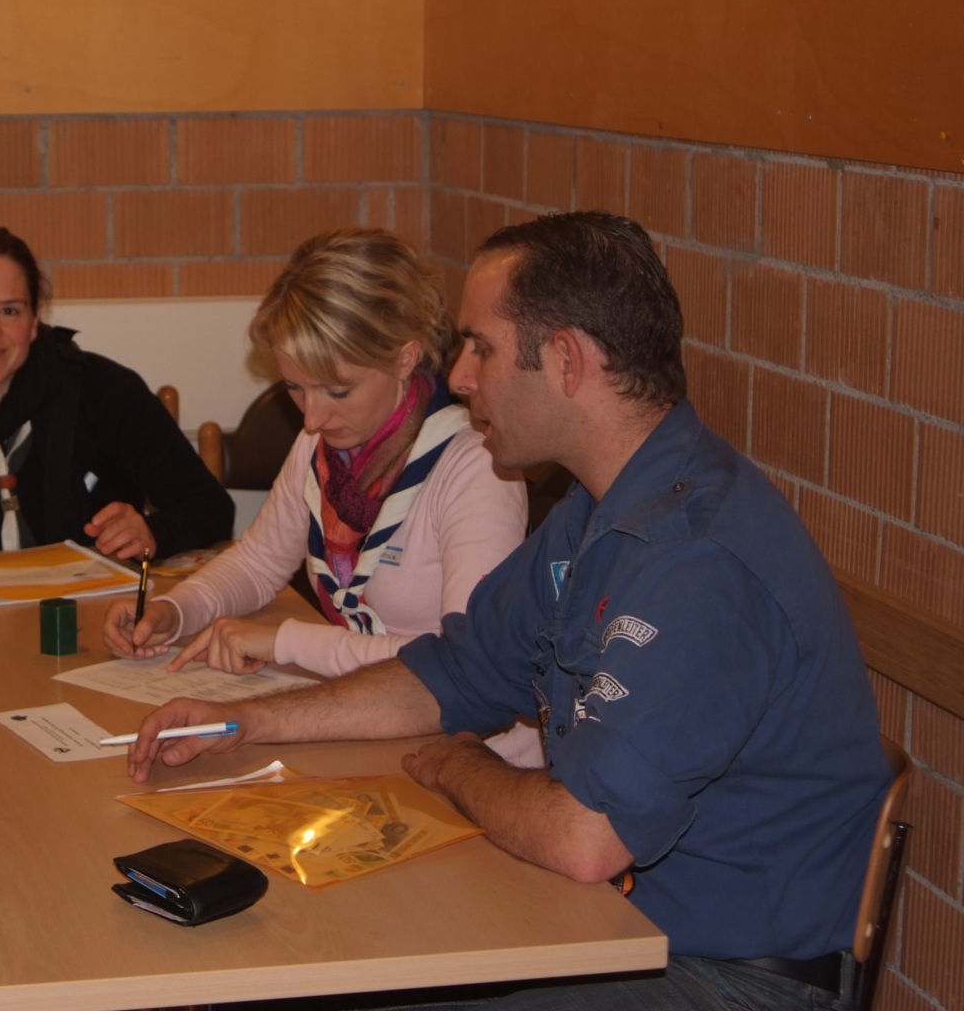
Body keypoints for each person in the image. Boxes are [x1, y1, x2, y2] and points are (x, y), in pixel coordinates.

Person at [127, 212, 891, 1010]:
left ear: (566, 361)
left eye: (481, 349)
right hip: (617, 923)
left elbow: (583, 837)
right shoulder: (598, 509)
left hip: (722, 975)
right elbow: (451, 673)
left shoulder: (699, 557)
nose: (460, 376)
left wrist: (457, 765)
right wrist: (248, 722)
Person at [101, 230, 534, 765]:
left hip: (475, 756)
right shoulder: (323, 444)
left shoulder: (477, 465)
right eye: (294, 388)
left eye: (337, 391)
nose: (310, 417)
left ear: (405, 357)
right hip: (369, 730)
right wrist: (174, 611)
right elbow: (259, 562)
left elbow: (460, 666)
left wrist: (284, 641)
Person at [0, 225, 233, 562]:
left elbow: (211, 507)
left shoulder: (103, 390)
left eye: (9, 310)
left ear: (33, 324)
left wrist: (152, 533)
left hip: (94, 597)